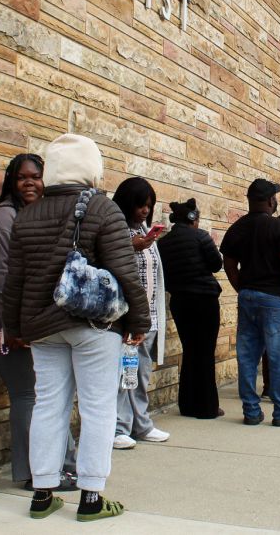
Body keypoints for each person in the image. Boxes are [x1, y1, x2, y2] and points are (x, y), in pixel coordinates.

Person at [2, 133, 150, 522]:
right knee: (98, 407)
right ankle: (91, 498)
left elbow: (14, 278)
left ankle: (43, 493)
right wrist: (140, 320)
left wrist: (13, 326)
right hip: (94, 325)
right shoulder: (102, 208)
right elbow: (124, 270)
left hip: (41, 326)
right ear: (90, 166)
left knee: (49, 404)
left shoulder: (27, 213)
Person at [0, 154, 77, 492]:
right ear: (11, 181)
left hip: (29, 318)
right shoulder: (2, 220)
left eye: (36, 177)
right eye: (23, 177)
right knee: (27, 393)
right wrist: (14, 327)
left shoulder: (32, 215)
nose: (30, 183)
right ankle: (35, 473)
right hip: (3, 316)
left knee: (45, 393)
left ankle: (59, 467)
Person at [220, 179, 280, 427]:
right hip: (276, 300)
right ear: (270, 201)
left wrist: (242, 288)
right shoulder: (279, 228)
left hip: (248, 297)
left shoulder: (237, 228)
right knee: (279, 358)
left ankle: (251, 411)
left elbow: (228, 264)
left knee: (247, 357)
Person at [111, 177, 170, 450]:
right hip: (125, 317)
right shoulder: (117, 231)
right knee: (124, 374)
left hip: (148, 317)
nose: (145, 210)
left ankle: (141, 424)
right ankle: (119, 428)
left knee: (140, 374)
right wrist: (131, 245)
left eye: (148, 205)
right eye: (139, 205)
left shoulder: (146, 232)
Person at [156, 198, 223, 419]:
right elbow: (215, 264)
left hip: (179, 301)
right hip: (204, 300)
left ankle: (187, 403)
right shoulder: (201, 237)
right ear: (193, 218)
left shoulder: (163, 243)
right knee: (205, 352)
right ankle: (207, 407)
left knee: (190, 350)